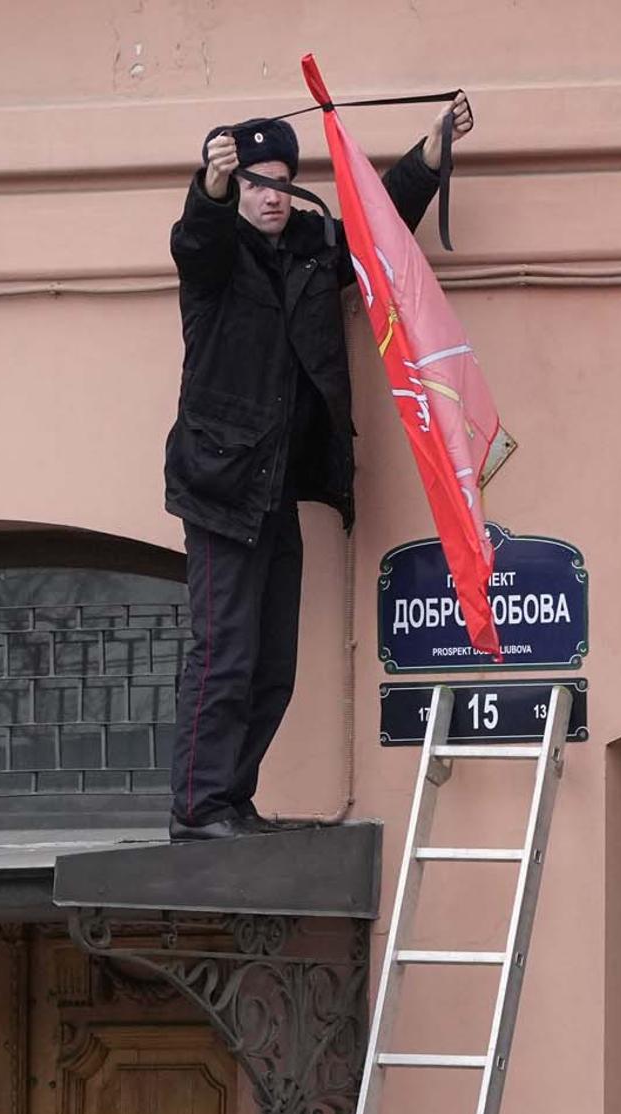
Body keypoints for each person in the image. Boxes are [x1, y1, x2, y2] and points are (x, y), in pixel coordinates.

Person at [165, 94, 475, 840]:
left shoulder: (309, 245)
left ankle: (233, 800)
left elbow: (374, 226)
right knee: (224, 651)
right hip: (221, 486)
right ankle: (197, 808)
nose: (270, 196)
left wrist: (429, 154)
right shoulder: (213, 255)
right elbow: (196, 236)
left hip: (278, 488)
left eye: (279, 181)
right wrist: (211, 183)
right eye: (254, 183)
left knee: (273, 661)